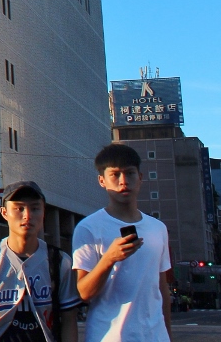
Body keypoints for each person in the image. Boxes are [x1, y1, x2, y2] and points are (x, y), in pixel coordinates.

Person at [0, 180, 80, 342]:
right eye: (19, 208)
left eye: (35, 208)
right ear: (4, 212)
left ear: (43, 212)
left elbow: (69, 318)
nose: (27, 215)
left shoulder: (59, 261)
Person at [73, 144, 173, 342]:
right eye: (115, 175)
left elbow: (161, 289)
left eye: (130, 173)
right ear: (102, 180)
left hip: (155, 336)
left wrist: (168, 335)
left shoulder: (158, 228)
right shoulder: (88, 228)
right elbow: (83, 293)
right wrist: (109, 259)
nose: (123, 181)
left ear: (140, 178)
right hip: (108, 336)